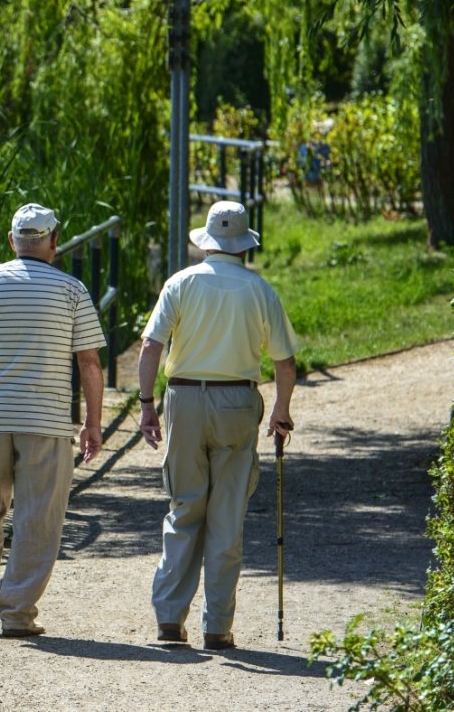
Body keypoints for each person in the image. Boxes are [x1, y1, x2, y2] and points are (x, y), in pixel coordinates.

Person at [138, 200, 299, 650]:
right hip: (237, 400)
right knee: (226, 516)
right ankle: (217, 627)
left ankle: (170, 620)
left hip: (184, 397)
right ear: (244, 245)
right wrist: (281, 411)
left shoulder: (181, 283)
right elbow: (285, 363)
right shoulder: (260, 290)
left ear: (207, 242)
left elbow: (151, 347)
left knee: (184, 506)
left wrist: (147, 404)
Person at [0, 202, 106, 637]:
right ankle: (17, 612)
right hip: (48, 420)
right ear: (54, 241)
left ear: (11, 240)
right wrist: (93, 423)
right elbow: (89, 364)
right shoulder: (72, 290)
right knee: (39, 516)